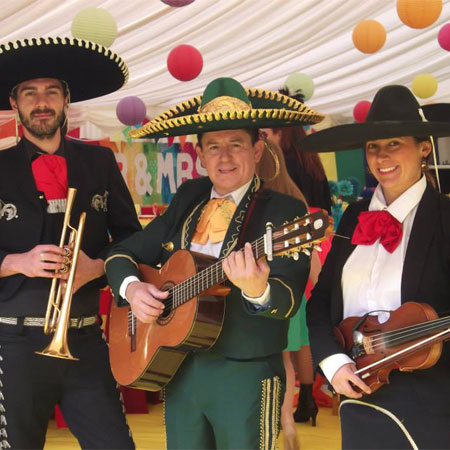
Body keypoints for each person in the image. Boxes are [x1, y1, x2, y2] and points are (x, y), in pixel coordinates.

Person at [105, 77, 324, 449]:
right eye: (214, 147)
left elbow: (288, 297)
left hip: (246, 371)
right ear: (200, 155)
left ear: (257, 150)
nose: (224, 157)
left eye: (236, 144)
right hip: (179, 367)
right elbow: (122, 254)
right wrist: (133, 288)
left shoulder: (285, 211)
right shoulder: (189, 197)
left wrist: (258, 291)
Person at [0, 37, 140, 449]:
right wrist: (16, 262)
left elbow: (133, 237)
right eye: (30, 93)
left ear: (66, 101)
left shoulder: (100, 162)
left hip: (84, 340)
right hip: (14, 344)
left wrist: (98, 268)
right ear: (15, 103)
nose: (41, 102)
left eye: (51, 92)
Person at [302, 84, 450, 449]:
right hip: (357, 393)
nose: (381, 156)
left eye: (394, 143)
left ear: (424, 148)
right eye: (373, 146)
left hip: (430, 405)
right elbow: (319, 302)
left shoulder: (446, 217)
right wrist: (332, 363)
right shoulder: (353, 217)